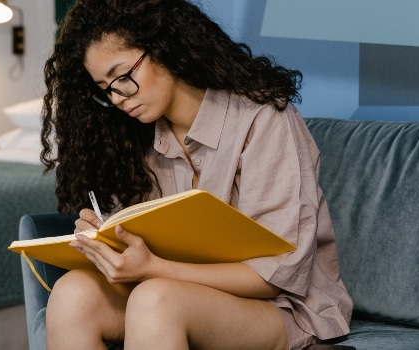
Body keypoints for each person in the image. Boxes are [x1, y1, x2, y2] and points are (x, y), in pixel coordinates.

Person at [37, 0, 353, 349]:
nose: (119, 98)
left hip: (281, 307)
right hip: (181, 292)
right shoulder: (133, 142)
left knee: (156, 300)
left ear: (164, 47)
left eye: (124, 76)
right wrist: (107, 240)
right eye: (106, 89)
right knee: (72, 293)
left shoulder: (261, 117)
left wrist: (152, 268)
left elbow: (275, 276)